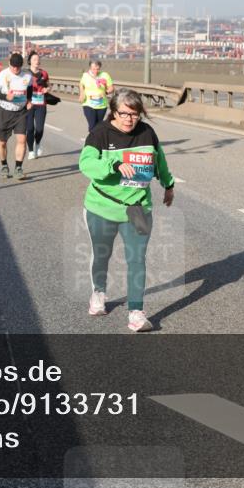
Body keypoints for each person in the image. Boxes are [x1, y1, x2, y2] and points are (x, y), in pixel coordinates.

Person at [79, 88, 175, 332]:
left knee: (137, 259)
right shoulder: (100, 133)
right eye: (124, 114)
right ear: (113, 112)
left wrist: (168, 184)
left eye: (135, 114)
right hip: (103, 206)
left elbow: (159, 161)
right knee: (102, 255)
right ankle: (98, 293)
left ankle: (136, 312)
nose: (130, 119)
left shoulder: (147, 133)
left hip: (137, 209)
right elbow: (86, 164)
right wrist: (115, 164)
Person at [0, 53, 32, 179]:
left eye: (18, 67)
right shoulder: (3, 75)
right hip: (5, 111)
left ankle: (18, 168)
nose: (15, 69)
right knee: (2, 142)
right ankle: (4, 165)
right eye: (13, 66)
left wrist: (29, 100)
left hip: (20, 112)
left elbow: (29, 88)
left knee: (22, 140)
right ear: (9, 64)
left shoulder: (27, 75)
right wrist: (5, 97)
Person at [25, 51, 51, 159]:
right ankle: (31, 150)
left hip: (41, 103)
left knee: (39, 129)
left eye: (38, 59)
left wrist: (47, 89)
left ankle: (37, 144)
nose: (37, 61)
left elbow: (49, 85)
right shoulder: (25, 73)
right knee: (30, 129)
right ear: (30, 61)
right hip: (29, 104)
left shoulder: (44, 73)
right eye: (34, 59)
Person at [78, 60, 113, 131]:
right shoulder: (85, 75)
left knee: (99, 125)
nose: (95, 71)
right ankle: (92, 140)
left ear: (100, 68)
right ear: (90, 68)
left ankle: (97, 140)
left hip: (102, 105)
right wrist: (82, 93)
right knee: (92, 124)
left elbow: (111, 88)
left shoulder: (105, 75)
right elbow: (81, 84)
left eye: (97, 69)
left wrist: (106, 92)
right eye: (93, 69)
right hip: (88, 104)